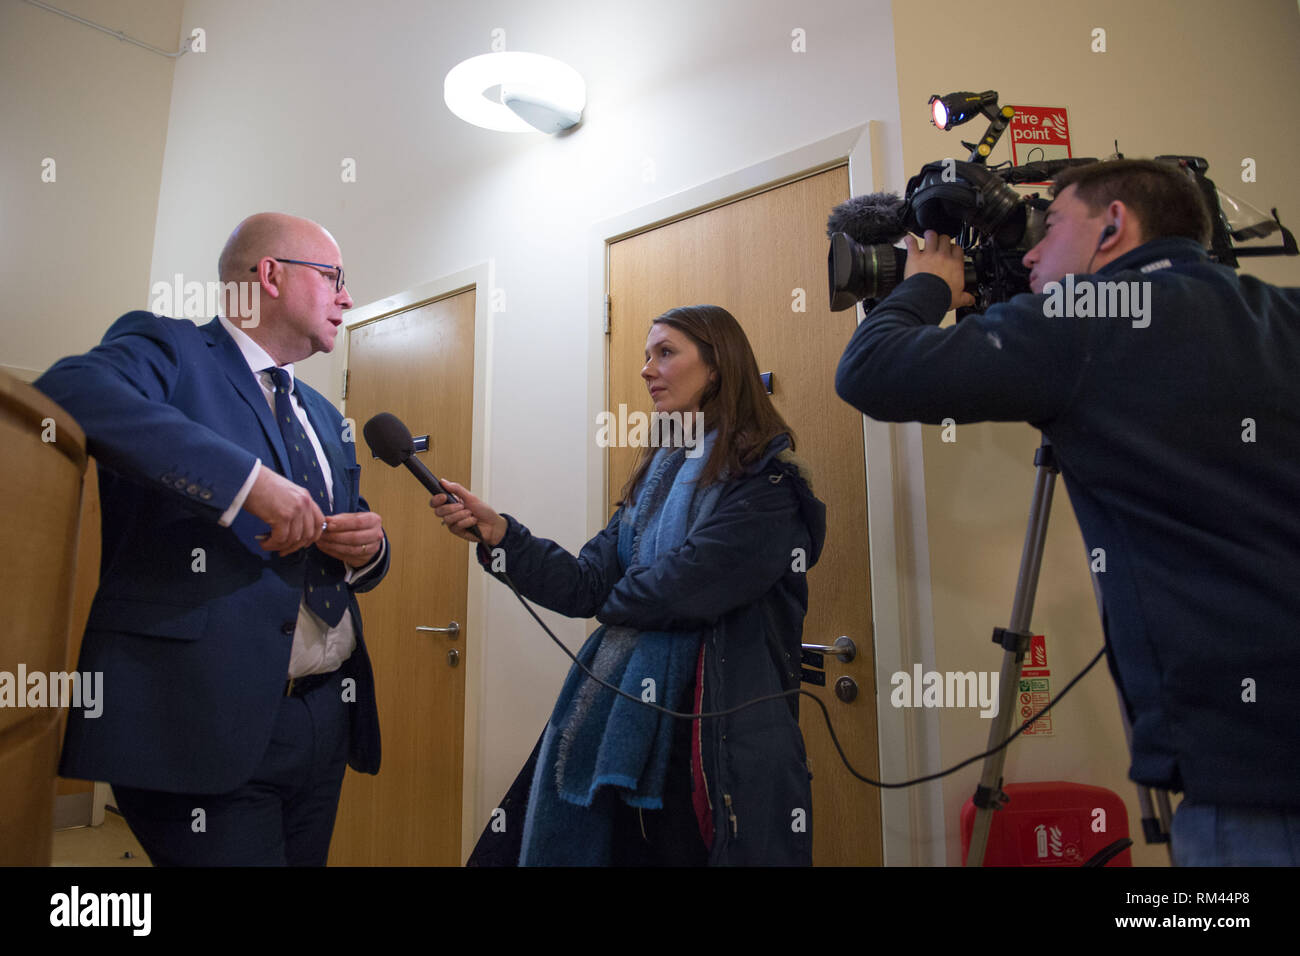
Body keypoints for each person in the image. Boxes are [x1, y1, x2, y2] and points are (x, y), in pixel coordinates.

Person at [834, 158, 1300, 866]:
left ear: (1114, 226)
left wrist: (926, 281)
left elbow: (871, 371)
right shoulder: (1283, 312)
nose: (1029, 254)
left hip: (1251, 779)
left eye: (1051, 230)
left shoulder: (1084, 323)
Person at [35, 213, 389, 866]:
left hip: (322, 718)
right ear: (271, 275)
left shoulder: (324, 415)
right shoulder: (171, 350)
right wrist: (246, 483)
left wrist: (370, 550)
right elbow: (68, 392)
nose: (346, 297)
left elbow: (354, 531)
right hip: (196, 716)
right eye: (334, 277)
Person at [433, 304, 825, 865]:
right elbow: (586, 583)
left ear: (717, 367)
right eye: (645, 355)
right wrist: (502, 536)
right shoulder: (654, 480)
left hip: (716, 749)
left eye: (666, 353)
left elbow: (685, 589)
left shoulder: (769, 484)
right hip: (634, 736)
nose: (646, 369)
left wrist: (612, 604)